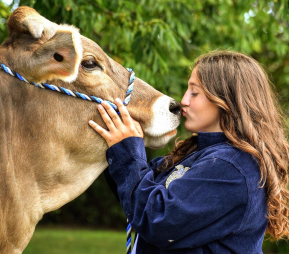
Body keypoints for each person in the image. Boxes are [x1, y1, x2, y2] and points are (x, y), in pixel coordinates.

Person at [88, 50, 289, 254]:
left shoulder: (232, 167)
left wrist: (128, 149)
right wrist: (117, 142)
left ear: (226, 100)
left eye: (194, 92)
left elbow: (157, 220)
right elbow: (135, 189)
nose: (184, 100)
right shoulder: (199, 155)